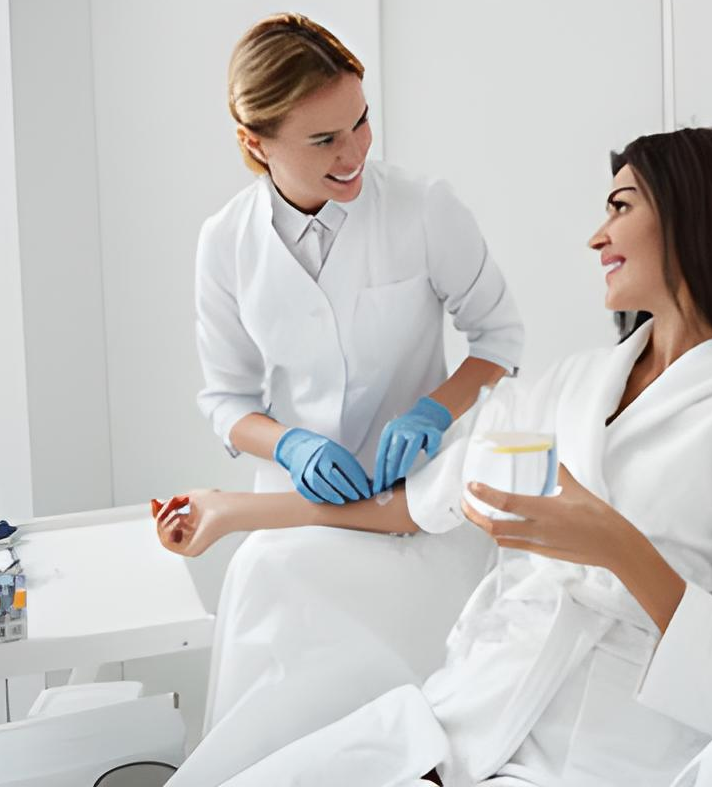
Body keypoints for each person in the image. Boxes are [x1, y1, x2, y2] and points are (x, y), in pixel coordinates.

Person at [165, 127, 712, 786]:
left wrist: (620, 549)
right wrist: (235, 511)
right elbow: (417, 502)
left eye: (620, 206)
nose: (596, 235)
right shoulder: (571, 386)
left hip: (593, 755)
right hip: (458, 719)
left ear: (696, 217)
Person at [192, 12, 523, 733]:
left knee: (413, 711)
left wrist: (435, 409)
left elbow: (500, 335)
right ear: (256, 143)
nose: (354, 153)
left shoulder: (422, 208)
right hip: (298, 509)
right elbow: (227, 400)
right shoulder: (225, 245)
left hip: (417, 507)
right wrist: (288, 445)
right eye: (324, 140)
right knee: (268, 598)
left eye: (361, 123)